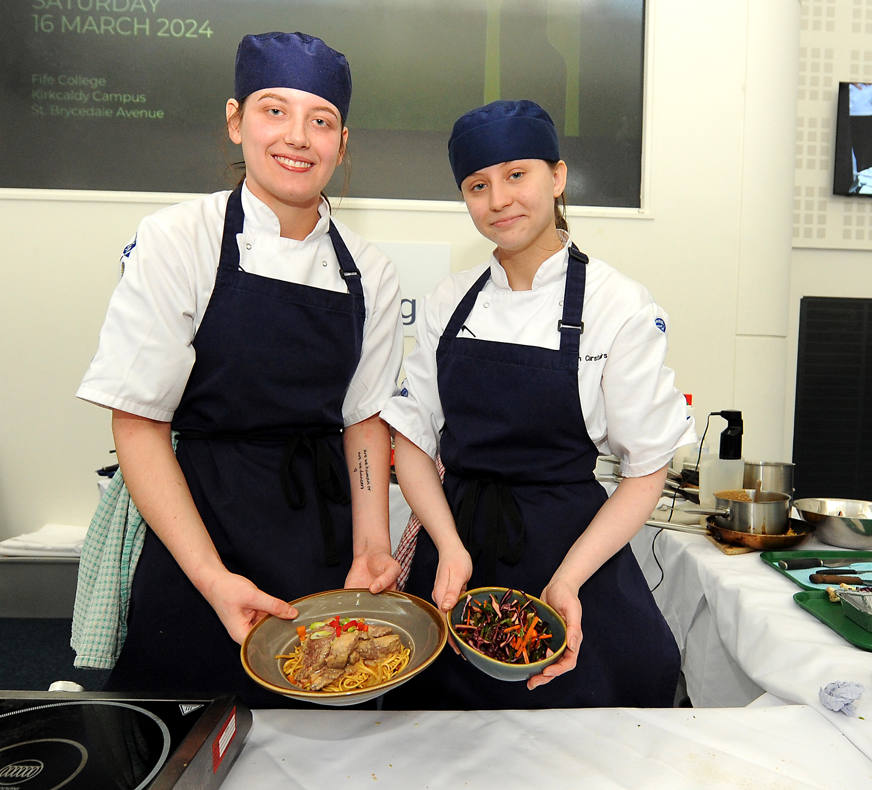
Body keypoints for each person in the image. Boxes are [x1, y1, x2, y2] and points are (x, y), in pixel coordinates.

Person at [75, 32, 403, 706]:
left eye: (322, 120)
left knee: (324, 711)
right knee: (184, 722)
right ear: (236, 120)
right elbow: (137, 425)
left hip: (318, 529)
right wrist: (210, 577)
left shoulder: (369, 271)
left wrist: (372, 545)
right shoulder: (178, 239)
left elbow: (364, 420)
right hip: (196, 524)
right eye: (274, 110)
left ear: (343, 143)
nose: (298, 137)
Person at [381, 100, 695, 710]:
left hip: (570, 548)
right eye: (477, 185)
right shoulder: (449, 301)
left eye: (516, 174)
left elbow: (645, 471)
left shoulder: (617, 305)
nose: (498, 199)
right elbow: (412, 441)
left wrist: (569, 580)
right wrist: (448, 546)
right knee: (438, 726)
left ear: (557, 177)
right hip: (460, 542)